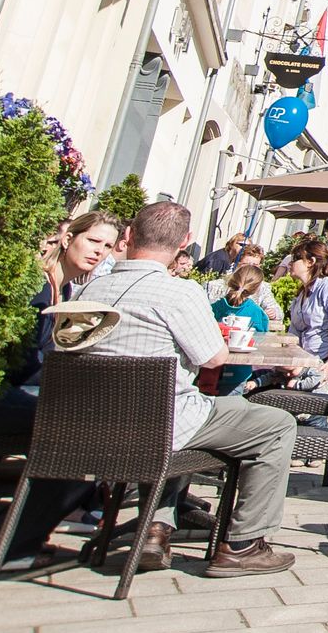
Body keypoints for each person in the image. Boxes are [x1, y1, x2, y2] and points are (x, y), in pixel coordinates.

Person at [78, 203, 299, 576]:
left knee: (187, 409)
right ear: (185, 242)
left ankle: (156, 527)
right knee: (276, 425)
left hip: (88, 422)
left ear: (128, 236)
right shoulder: (180, 294)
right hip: (165, 423)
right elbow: (213, 358)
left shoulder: (90, 287)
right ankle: (243, 545)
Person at [0, 210, 125, 576]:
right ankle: (3, 543)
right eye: (92, 241)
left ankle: (19, 535)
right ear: (67, 237)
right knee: (89, 435)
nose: (99, 252)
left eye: (107, 246)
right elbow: (22, 361)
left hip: (24, 389)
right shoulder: (37, 286)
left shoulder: (69, 289)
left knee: (95, 427)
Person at [286, 242, 328, 386]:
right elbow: (294, 333)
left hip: (327, 361)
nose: (290, 263)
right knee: (262, 373)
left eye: (295, 258)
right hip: (304, 360)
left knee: (286, 380)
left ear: (310, 262)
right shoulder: (301, 293)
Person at [211, 265, 275, 395]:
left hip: (210, 368)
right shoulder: (257, 313)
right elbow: (260, 338)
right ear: (256, 288)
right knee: (230, 411)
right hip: (238, 372)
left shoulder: (214, 307)